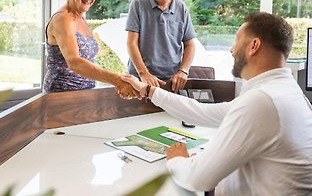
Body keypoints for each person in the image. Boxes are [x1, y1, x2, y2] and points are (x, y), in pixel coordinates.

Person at [121, 12, 312, 195]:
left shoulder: (262, 101)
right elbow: (202, 112)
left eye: (237, 40)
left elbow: (198, 178)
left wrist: (177, 160)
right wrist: (148, 90)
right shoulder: (286, 93)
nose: (232, 49)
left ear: (254, 45)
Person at [43, 0, 139, 98]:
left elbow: (88, 59)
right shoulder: (63, 19)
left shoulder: (80, 17)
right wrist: (117, 81)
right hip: (62, 97)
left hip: (85, 95)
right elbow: (75, 62)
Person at [125, 0, 196, 93]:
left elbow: (190, 45)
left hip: (171, 81)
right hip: (141, 79)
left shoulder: (181, 8)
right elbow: (131, 42)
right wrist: (144, 74)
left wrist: (183, 71)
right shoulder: (138, 4)